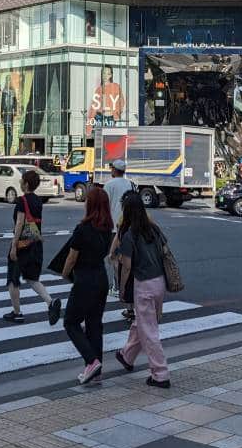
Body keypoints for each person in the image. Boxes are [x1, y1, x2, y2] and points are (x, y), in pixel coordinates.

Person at [115, 192, 172, 388]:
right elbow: (165, 251)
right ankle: (127, 356)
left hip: (144, 285)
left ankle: (160, 374)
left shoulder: (130, 235)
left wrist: (122, 289)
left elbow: (128, 266)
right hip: (159, 282)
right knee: (143, 322)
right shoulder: (154, 229)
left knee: (149, 331)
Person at [62, 183, 113, 384]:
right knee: (94, 325)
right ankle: (96, 372)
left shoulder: (83, 228)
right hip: (101, 278)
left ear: (90, 205)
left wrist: (65, 274)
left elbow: (72, 257)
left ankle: (91, 361)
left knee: (71, 322)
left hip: (84, 279)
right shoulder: (107, 228)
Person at [4, 169, 61, 325]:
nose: (20, 183)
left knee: (13, 279)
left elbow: (20, 223)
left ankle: (17, 313)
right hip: (35, 244)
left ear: (26, 184)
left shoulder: (22, 201)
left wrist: (14, 246)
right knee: (32, 278)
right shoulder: (38, 200)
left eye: (22, 180)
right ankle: (50, 303)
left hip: (22, 245)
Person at [104, 158, 134, 301]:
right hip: (131, 227)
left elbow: (104, 206)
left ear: (114, 170)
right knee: (128, 258)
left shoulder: (109, 185)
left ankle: (116, 286)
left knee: (115, 258)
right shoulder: (132, 184)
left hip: (114, 227)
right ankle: (128, 286)